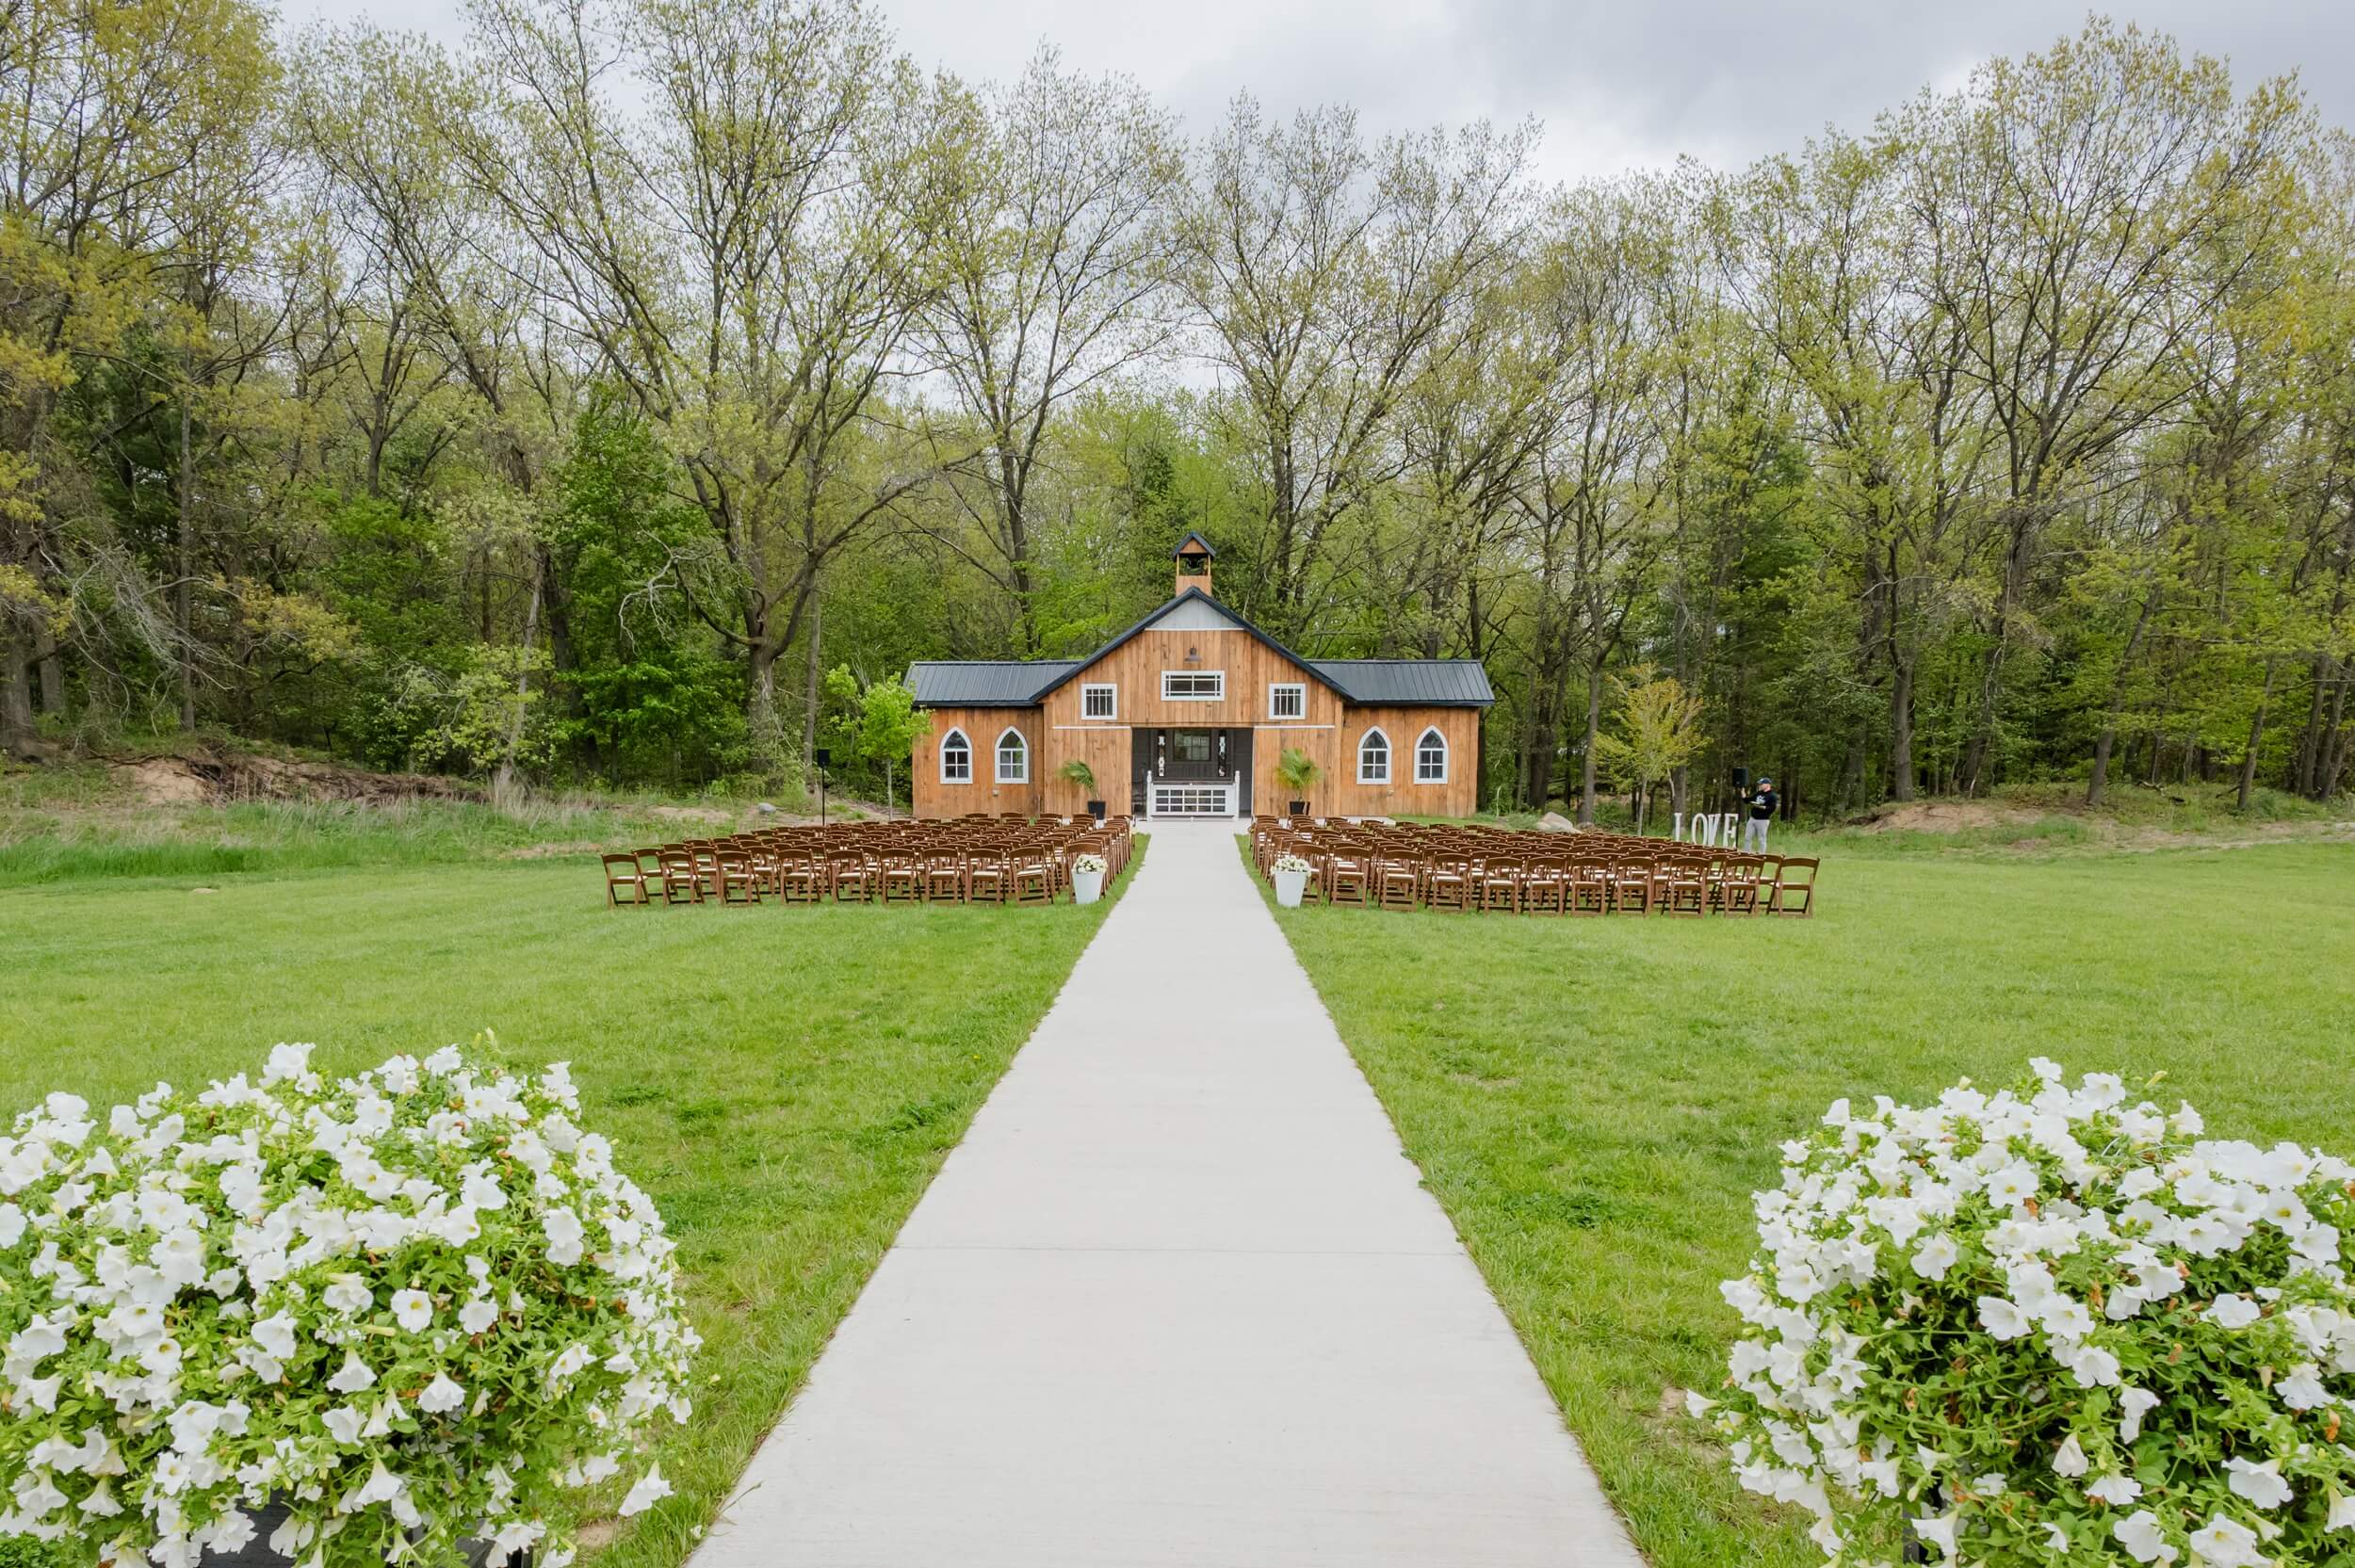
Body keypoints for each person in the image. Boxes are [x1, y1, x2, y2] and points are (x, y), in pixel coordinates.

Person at [1744, 776, 1777, 851]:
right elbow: (1747, 800)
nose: (1760, 785)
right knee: (1747, 837)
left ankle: (1761, 855)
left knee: (1761, 839)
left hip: (1763, 820)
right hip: (1753, 818)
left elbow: (1772, 808)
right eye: (1759, 784)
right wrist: (1743, 793)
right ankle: (1746, 853)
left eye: (1761, 784)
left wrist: (1762, 807)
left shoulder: (1772, 796)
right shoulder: (1758, 793)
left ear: (1768, 785)